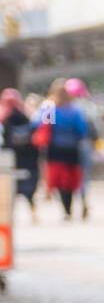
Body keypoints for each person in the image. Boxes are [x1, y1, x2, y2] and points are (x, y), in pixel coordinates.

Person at [38, 80, 89, 221]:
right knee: (71, 179)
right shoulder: (74, 109)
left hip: (55, 149)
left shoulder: (50, 108)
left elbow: (41, 125)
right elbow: (82, 129)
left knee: (59, 179)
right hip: (72, 148)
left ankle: (66, 209)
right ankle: (70, 206)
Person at [1, 88, 40, 221]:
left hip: (9, 158)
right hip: (27, 158)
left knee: (8, 189)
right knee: (29, 188)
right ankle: (33, 211)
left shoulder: (3, 117)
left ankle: (7, 214)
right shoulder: (26, 115)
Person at [64, 77, 100, 219]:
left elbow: (45, 124)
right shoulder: (88, 106)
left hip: (64, 147)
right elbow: (97, 127)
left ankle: (67, 208)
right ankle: (84, 200)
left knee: (68, 177)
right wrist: (97, 141)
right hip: (84, 144)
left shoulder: (58, 106)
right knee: (84, 176)